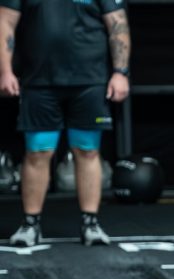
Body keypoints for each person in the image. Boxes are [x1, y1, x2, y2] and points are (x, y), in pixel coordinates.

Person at [0, 0, 131, 248]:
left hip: (90, 81)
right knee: (37, 152)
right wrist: (4, 71)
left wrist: (120, 72)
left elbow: (117, 24)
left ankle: (90, 223)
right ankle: (30, 224)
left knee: (88, 151)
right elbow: (5, 22)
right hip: (39, 81)